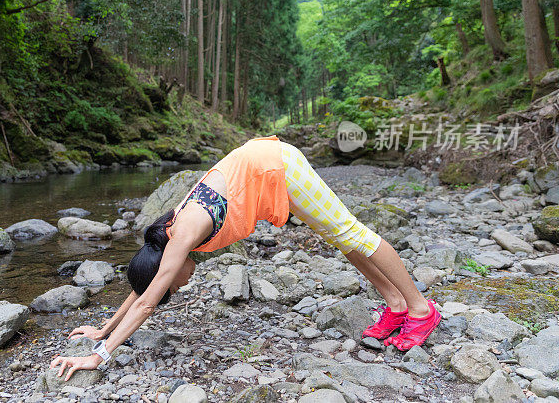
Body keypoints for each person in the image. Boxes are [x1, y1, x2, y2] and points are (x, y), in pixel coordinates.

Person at [50, 135, 441, 380]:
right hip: (262, 167)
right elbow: (144, 286)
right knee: (339, 239)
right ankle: (394, 303)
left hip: (277, 167)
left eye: (176, 283)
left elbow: (149, 301)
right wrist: (103, 329)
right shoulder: (162, 243)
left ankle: (421, 309)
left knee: (352, 232)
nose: (183, 284)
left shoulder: (182, 235)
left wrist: (97, 357)